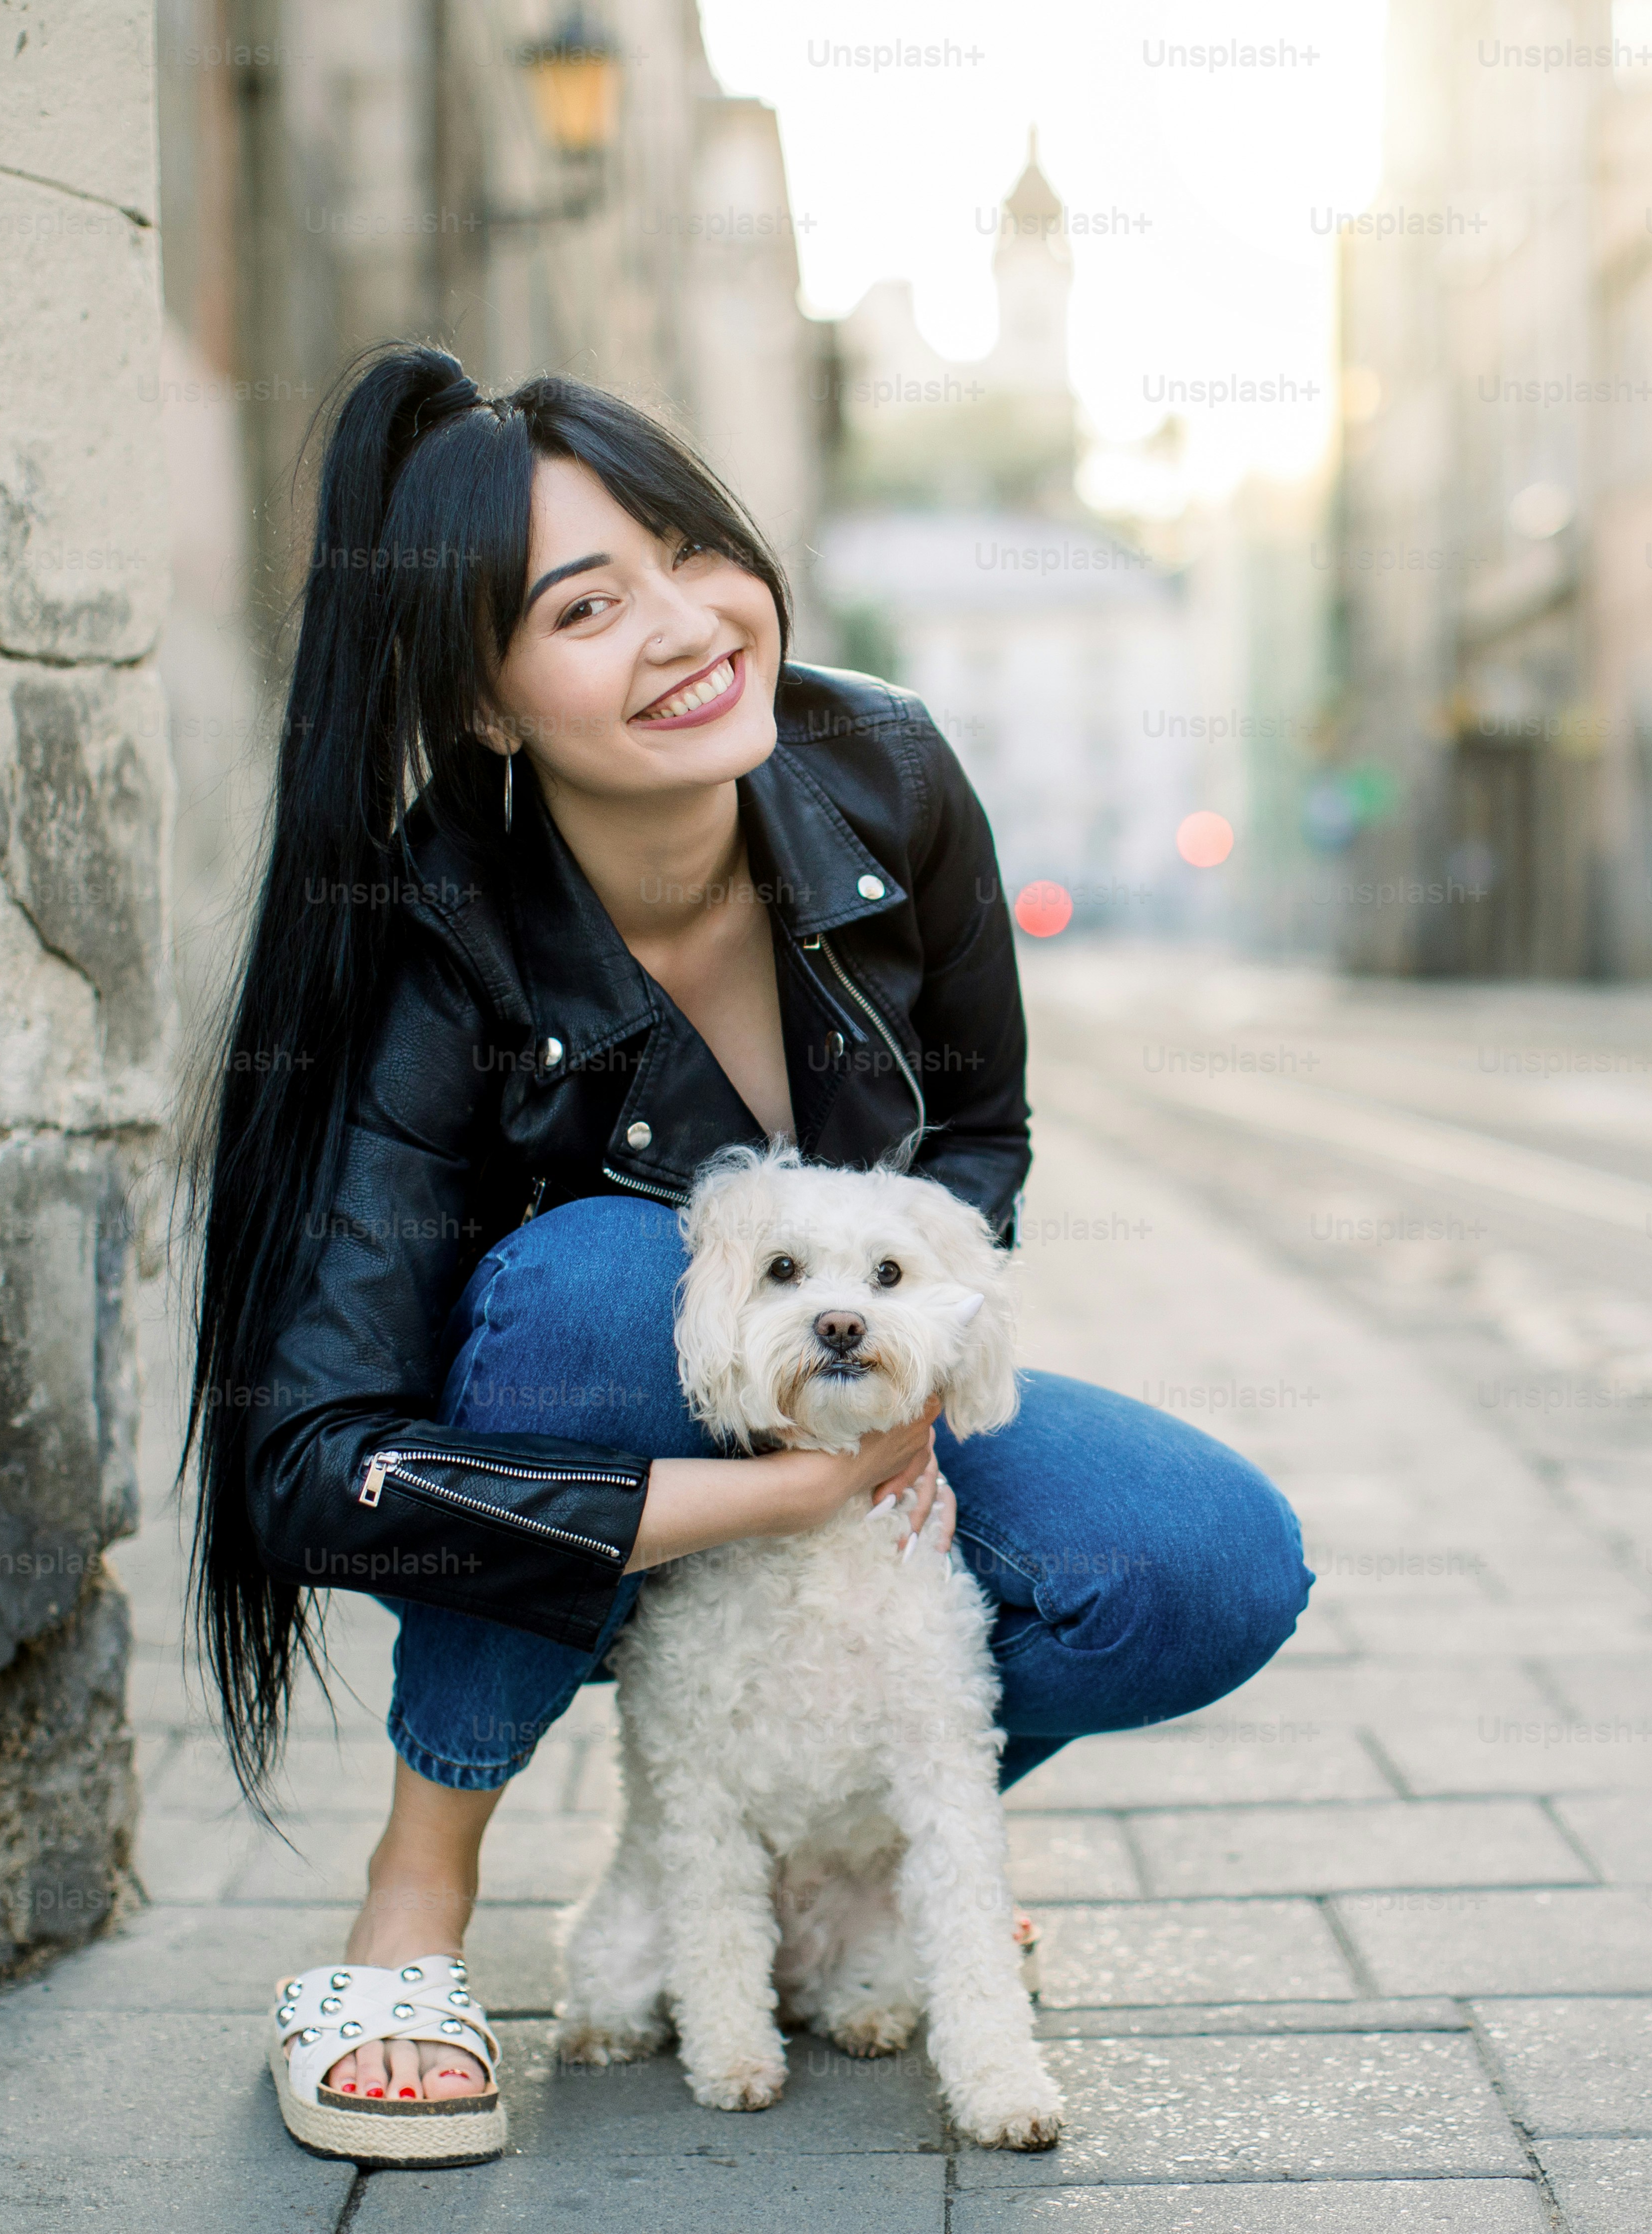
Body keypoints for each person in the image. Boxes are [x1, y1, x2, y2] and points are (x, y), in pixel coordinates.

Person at [180, 345, 1314, 2133]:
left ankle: (853, 1862)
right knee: (599, 1282)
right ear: (483, 702)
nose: (686, 625)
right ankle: (412, 1913)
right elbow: (314, 1471)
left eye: (690, 552)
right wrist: (779, 1492)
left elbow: (980, 1137)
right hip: (580, 1440)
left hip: (839, 1419)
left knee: (1207, 1559)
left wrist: (909, 1391)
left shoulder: (885, 772)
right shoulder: (432, 926)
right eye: (583, 605)